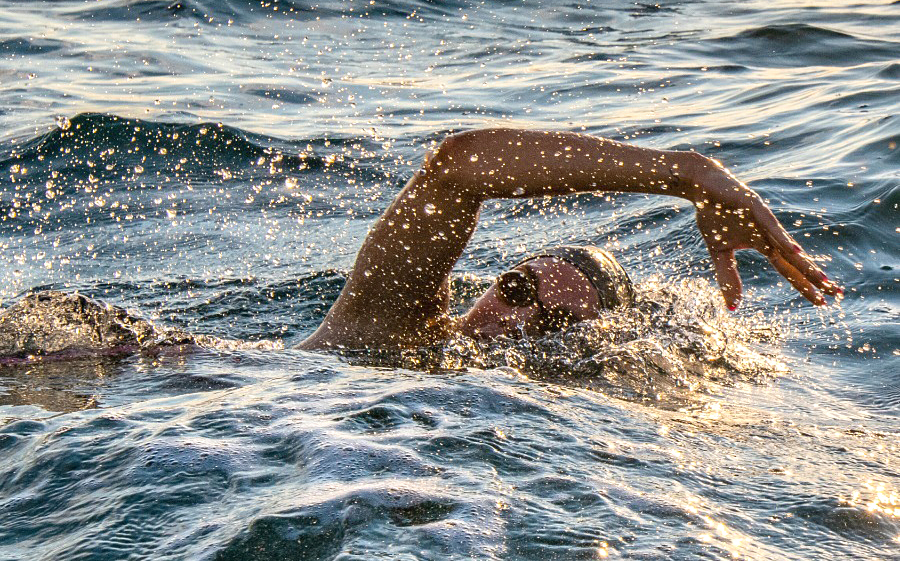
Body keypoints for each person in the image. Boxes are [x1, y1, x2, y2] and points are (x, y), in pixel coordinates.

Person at [298, 128, 841, 350]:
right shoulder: (392, 325)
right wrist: (688, 174)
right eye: (515, 288)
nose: (517, 317)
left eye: (554, 323)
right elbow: (457, 168)